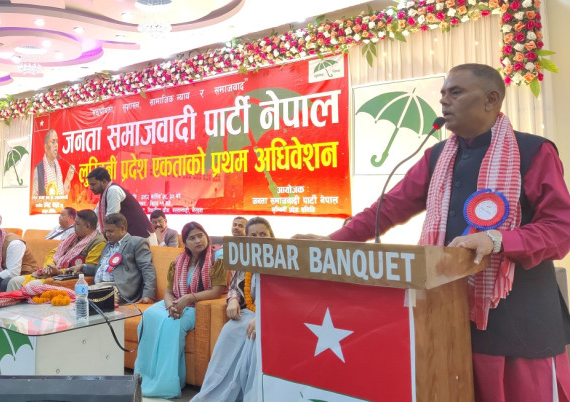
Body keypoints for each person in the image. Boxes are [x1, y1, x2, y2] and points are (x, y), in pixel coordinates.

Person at [295, 64, 570, 401]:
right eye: (442, 93)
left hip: (517, 318)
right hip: (445, 312)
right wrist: (332, 241)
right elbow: (388, 208)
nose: (443, 101)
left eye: (455, 92)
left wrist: (497, 239)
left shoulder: (533, 151)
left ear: (491, 99)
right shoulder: (437, 155)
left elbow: (560, 228)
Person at [135, 221, 227, 398]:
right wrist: (171, 305)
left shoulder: (217, 258)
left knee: (172, 323)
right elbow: (169, 292)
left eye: (200, 235)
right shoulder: (179, 261)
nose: (198, 240)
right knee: (149, 315)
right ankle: (145, 377)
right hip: (176, 302)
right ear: (185, 243)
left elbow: (217, 291)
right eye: (192, 238)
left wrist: (188, 298)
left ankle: (166, 383)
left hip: (197, 306)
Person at [191, 217, 273, 402]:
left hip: (272, 316)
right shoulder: (245, 257)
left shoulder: (281, 260)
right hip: (248, 313)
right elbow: (235, 285)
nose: (258, 239)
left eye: (263, 234)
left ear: (271, 236)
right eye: (253, 235)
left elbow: (283, 297)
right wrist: (233, 300)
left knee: (255, 338)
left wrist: (263, 318)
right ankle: (212, 395)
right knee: (229, 330)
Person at [7, 209, 106, 291]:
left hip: (67, 278)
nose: (73, 226)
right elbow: (53, 253)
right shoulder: (73, 236)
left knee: (32, 286)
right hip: (52, 273)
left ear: (88, 226)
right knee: (14, 282)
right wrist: (50, 267)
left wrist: (59, 271)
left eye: (77, 224)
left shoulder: (98, 243)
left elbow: (87, 270)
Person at [75, 213, 156, 303]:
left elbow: (147, 268)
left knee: (82, 299)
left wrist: (148, 295)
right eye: (106, 231)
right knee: (71, 296)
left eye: (111, 231)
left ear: (122, 229)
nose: (107, 234)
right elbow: (104, 269)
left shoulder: (136, 242)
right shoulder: (107, 245)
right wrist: (83, 267)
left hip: (119, 289)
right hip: (98, 287)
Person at [86, 167, 153, 238]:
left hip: (141, 236)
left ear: (104, 182)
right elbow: (95, 215)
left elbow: (111, 218)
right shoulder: (104, 193)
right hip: (131, 238)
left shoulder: (113, 190)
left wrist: (92, 235)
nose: (90, 188)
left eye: (93, 184)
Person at [32, 129, 75, 197]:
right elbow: (34, 197)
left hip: (58, 204)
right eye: (53, 142)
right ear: (46, 147)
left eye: (57, 142)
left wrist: (67, 179)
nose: (56, 145)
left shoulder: (57, 168)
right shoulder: (38, 169)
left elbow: (60, 194)